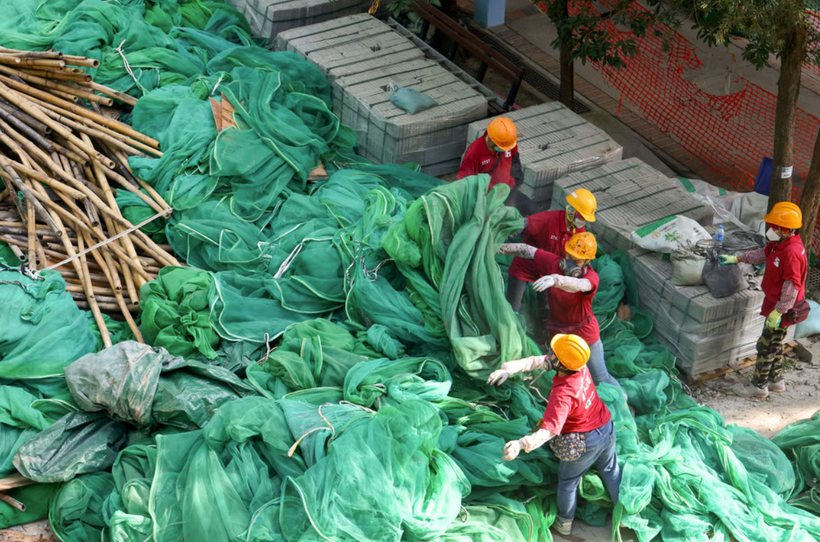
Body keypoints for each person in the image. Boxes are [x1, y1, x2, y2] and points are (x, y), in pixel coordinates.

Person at [487, 333, 621, 536]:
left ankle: (565, 522)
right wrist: (508, 369)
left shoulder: (563, 394)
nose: (549, 354)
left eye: (553, 353)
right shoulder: (579, 365)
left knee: (568, 482)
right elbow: (540, 362)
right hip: (606, 427)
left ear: (561, 363)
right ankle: (622, 512)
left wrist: (520, 444)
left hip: (586, 440)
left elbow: (549, 431)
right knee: (610, 469)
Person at [498, 231, 621, 389]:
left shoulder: (591, 278)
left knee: (600, 377)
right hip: (558, 333)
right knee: (559, 372)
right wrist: (496, 247)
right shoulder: (554, 263)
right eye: (569, 256)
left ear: (587, 262)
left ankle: (622, 401)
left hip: (584, 335)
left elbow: (580, 285)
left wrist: (556, 279)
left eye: (577, 260)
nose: (570, 262)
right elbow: (526, 250)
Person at [720, 201, 808, 399]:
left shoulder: (792, 252)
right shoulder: (781, 243)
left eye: (774, 226)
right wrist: (738, 259)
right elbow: (762, 254)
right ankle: (776, 381)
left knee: (766, 346)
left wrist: (778, 311)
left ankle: (758, 387)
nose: (771, 229)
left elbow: (792, 286)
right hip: (775, 303)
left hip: (783, 308)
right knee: (774, 343)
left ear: (784, 229)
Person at [506, 189, 598, 313]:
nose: (583, 221)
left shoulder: (580, 233)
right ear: (571, 211)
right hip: (524, 268)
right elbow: (524, 224)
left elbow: (583, 257)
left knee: (546, 309)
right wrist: (509, 230)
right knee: (511, 308)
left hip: (547, 273)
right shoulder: (549, 219)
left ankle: (542, 328)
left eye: (585, 219)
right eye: (581, 217)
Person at [457, 117, 535, 215]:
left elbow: (515, 162)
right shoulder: (475, 152)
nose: (505, 149)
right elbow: (465, 181)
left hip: (507, 191)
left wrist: (518, 183)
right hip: (486, 197)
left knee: (531, 209)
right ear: (491, 140)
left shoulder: (508, 144)